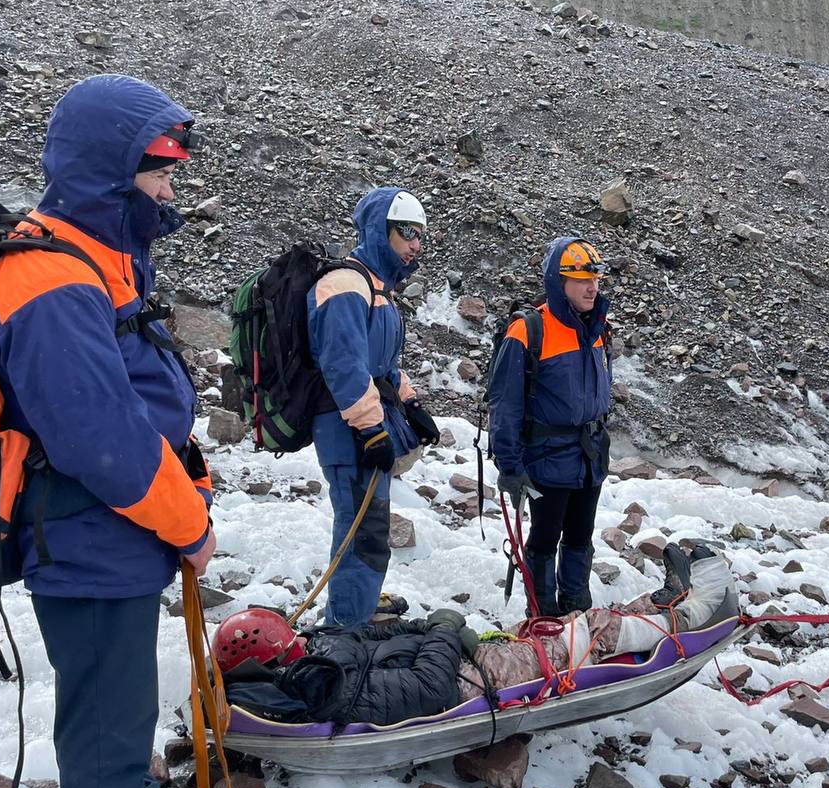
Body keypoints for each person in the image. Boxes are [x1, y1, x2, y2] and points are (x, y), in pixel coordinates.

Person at [0, 75, 246, 788]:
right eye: (158, 173)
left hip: (110, 533)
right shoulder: (49, 277)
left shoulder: (93, 256)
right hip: (88, 535)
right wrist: (190, 525)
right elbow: (106, 441)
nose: (169, 191)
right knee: (106, 718)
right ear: (106, 169)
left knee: (118, 710)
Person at [214, 544, 739, 725]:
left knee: (569, 626)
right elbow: (424, 691)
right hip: (462, 681)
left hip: (459, 658)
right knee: (585, 636)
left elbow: (390, 636)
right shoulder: (325, 681)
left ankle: (660, 603)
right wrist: (446, 636)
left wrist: (433, 626)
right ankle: (690, 617)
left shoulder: (319, 650)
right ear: (279, 651)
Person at [306, 187, 441, 627]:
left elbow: (382, 365)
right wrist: (371, 430)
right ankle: (345, 630)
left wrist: (411, 404)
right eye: (407, 232)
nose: (415, 244)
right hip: (345, 428)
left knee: (369, 529)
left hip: (362, 424)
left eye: (421, 234)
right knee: (360, 530)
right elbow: (344, 365)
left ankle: (357, 610)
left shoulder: (377, 288)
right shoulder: (345, 283)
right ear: (379, 230)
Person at [488, 238, 612, 616]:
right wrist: (510, 467)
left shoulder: (598, 328)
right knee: (544, 539)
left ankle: (576, 607)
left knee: (580, 536)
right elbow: (505, 405)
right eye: (581, 279)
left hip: (589, 457)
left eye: (595, 278)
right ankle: (543, 615)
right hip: (547, 459)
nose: (592, 287)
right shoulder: (529, 332)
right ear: (559, 283)